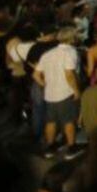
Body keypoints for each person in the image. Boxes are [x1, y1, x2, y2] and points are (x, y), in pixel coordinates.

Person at [34, 26, 80, 154]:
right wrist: (76, 90)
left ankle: (50, 146)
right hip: (65, 92)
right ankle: (71, 147)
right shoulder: (71, 52)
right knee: (69, 120)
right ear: (72, 38)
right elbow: (69, 74)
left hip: (50, 93)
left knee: (51, 121)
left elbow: (36, 74)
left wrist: (45, 84)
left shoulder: (48, 53)